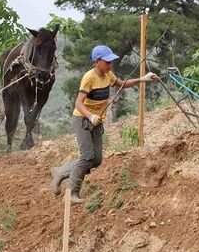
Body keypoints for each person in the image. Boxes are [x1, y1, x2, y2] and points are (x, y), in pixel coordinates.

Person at [51, 45, 158, 203]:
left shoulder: (108, 75)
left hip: (97, 121)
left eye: (111, 61)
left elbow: (121, 84)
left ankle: (61, 172)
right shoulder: (89, 77)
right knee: (87, 156)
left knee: (97, 160)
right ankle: (73, 193)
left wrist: (142, 79)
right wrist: (90, 116)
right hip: (82, 119)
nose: (110, 64)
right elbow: (78, 103)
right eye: (107, 62)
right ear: (97, 61)